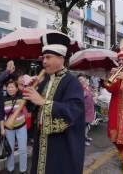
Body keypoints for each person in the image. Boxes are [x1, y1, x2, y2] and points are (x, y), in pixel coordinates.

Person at [23, 33, 85, 174]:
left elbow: (74, 111)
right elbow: (34, 109)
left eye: (48, 57)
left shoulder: (72, 82)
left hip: (61, 145)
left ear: (61, 58)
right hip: (42, 141)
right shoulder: (44, 81)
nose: (44, 61)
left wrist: (43, 102)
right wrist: (28, 94)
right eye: (43, 57)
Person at [0, 80, 28, 174]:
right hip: (9, 129)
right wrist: (2, 128)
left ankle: (23, 170)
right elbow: (1, 116)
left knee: (23, 149)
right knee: (10, 150)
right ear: (6, 89)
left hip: (21, 126)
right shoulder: (3, 99)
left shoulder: (22, 98)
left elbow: (27, 110)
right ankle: (10, 169)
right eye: (8, 87)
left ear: (16, 88)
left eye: (12, 87)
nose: (10, 89)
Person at [78, 74, 95, 146]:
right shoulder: (79, 88)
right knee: (83, 127)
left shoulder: (88, 87)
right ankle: (82, 140)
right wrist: (84, 89)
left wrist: (93, 92)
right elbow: (81, 97)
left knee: (87, 125)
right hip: (83, 111)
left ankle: (85, 137)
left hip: (90, 110)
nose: (82, 80)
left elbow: (91, 95)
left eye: (83, 79)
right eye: (80, 80)